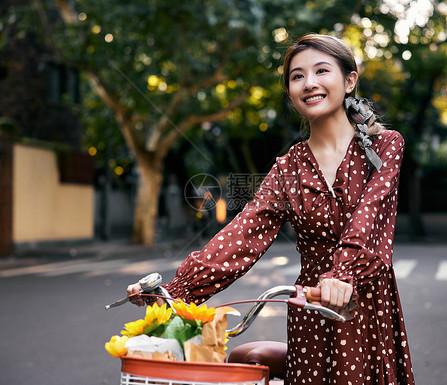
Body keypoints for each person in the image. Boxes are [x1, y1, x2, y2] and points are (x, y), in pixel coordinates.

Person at [127, 33, 415, 384]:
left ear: (350, 80)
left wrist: (341, 277)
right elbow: (243, 233)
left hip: (364, 305)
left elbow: (368, 222)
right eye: (297, 76)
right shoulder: (288, 167)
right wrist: (177, 290)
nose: (309, 83)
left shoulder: (385, 146)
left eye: (321, 71)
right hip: (310, 310)